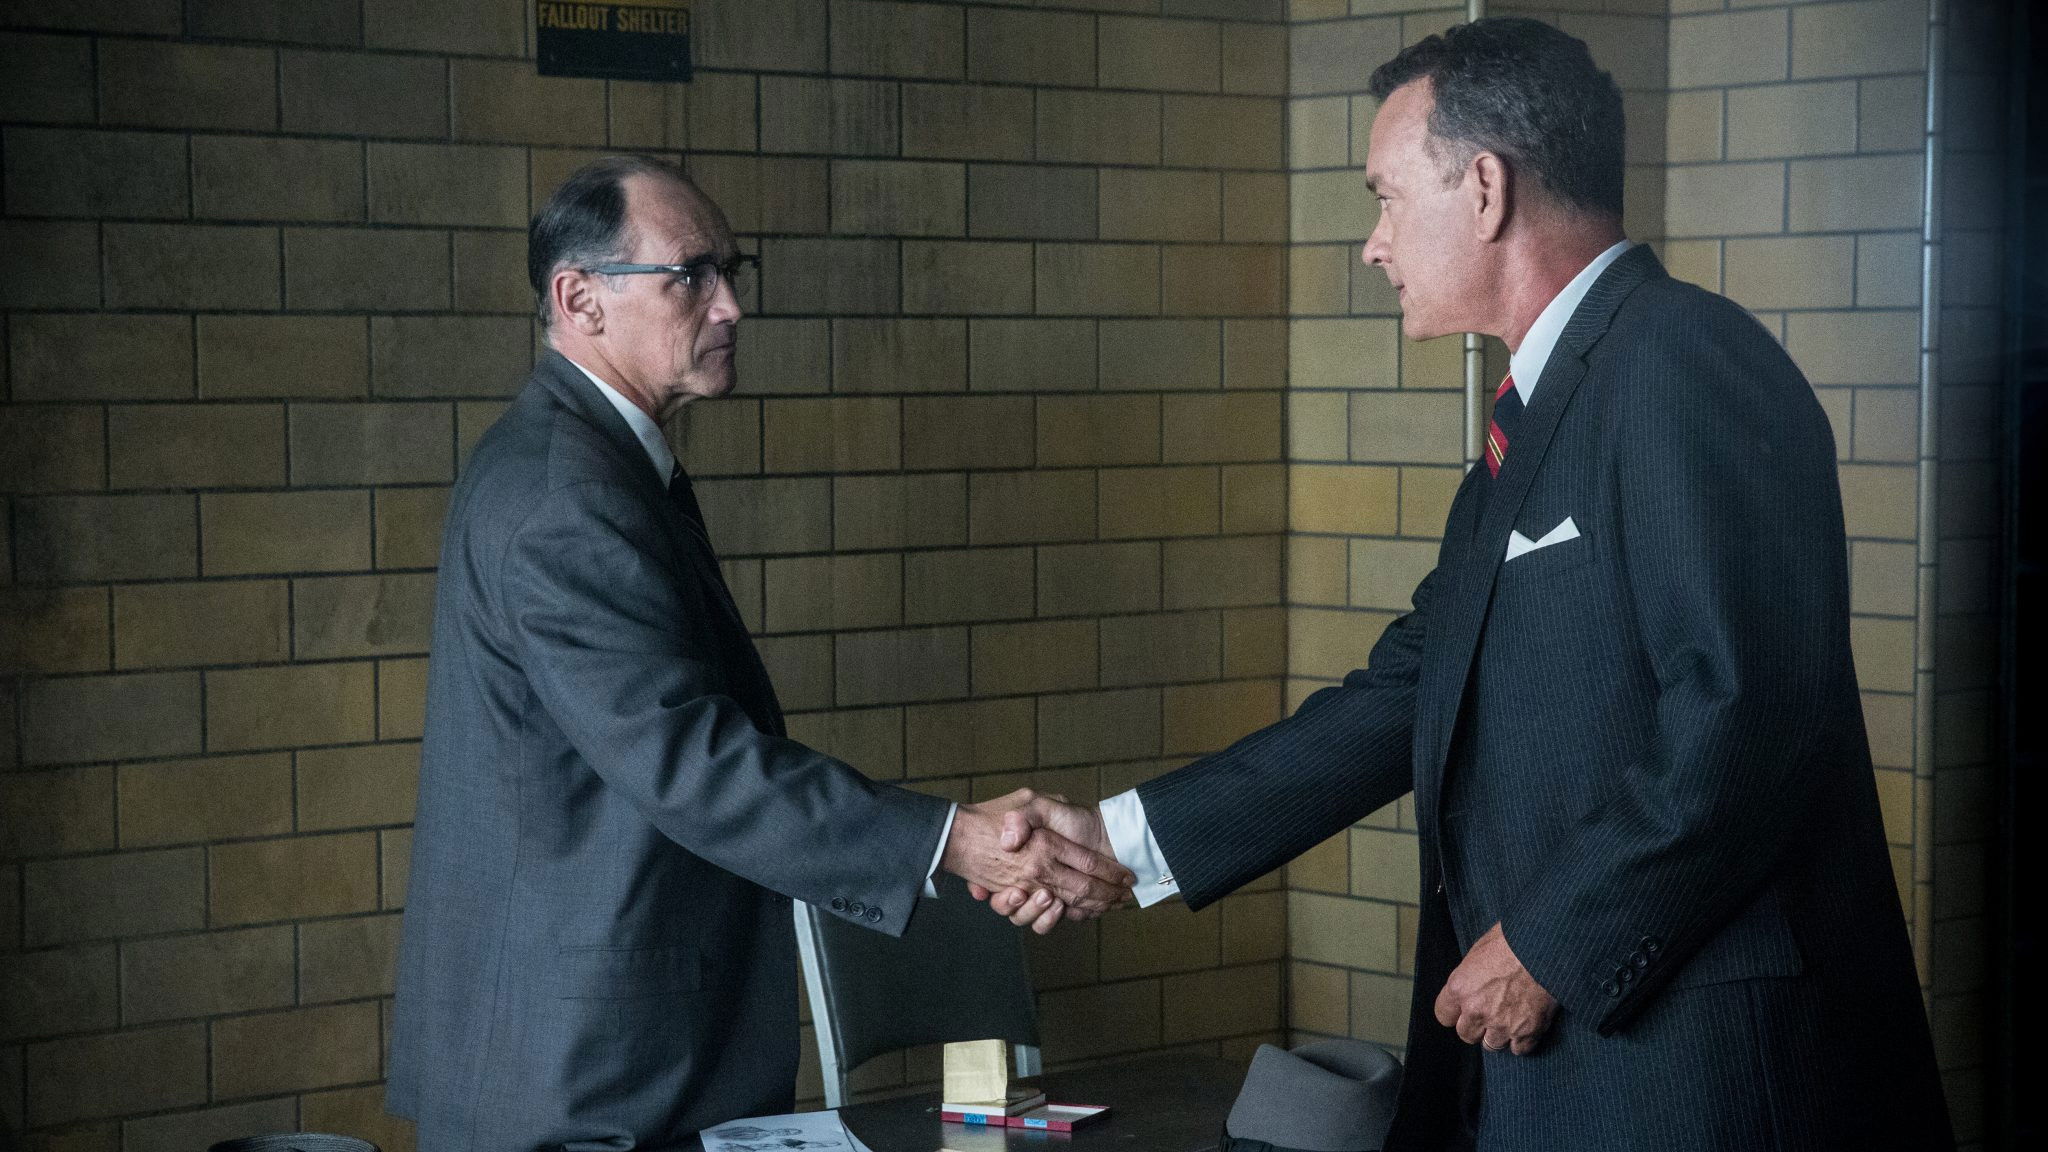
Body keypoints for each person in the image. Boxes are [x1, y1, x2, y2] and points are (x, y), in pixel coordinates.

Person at [977, 19, 1953, 1151]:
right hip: (1566, 1072)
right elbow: (1405, 693)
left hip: (1698, 1079)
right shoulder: (1532, 421)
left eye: (1386, 198)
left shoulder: (1681, 359)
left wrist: (1548, 945)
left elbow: (1748, 710)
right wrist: (1121, 843)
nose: (1373, 245)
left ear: (1484, 189)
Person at [386, 156, 1132, 1151]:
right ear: (579, 299)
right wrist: (955, 841)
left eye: (731, 271)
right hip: (584, 1077)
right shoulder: (567, 494)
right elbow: (694, 764)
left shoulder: (592, 466)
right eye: (691, 275)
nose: (731, 305)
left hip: (597, 1053)